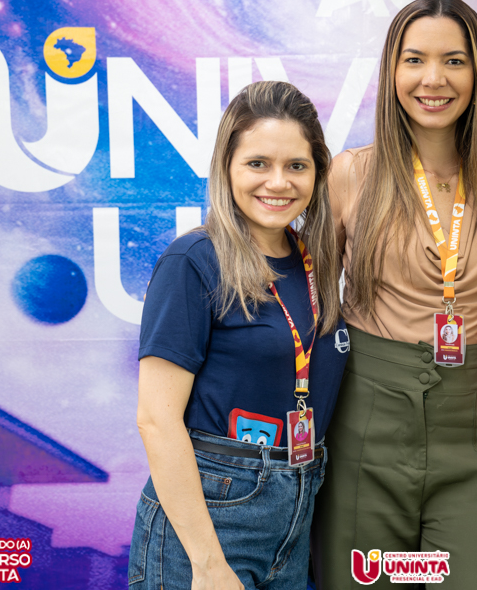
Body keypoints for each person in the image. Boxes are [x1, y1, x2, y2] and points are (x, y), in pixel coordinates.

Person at [312, 0, 477, 589]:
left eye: (453, 61)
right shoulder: (349, 175)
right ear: (392, 70)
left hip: (475, 430)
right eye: (414, 60)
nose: (433, 79)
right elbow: (310, 309)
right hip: (364, 425)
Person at [128, 81, 348, 590]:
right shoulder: (194, 261)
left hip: (295, 513)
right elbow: (156, 420)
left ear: (318, 173)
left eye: (297, 165)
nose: (279, 182)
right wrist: (207, 564)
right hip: (211, 518)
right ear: (226, 168)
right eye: (257, 163)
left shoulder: (314, 264)